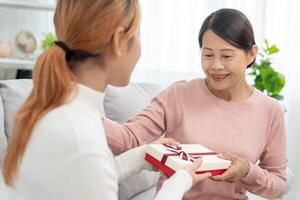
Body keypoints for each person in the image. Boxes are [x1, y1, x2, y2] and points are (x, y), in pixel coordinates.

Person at [1, 1, 212, 200]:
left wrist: (143, 154)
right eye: (138, 34)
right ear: (119, 41)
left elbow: (85, 176)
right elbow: (88, 163)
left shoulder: (58, 110)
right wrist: (178, 184)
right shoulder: (81, 134)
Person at [102, 8, 288, 200]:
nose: (215, 65)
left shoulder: (270, 110)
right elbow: (128, 139)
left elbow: (278, 185)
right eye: (208, 55)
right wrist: (78, 109)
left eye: (226, 56)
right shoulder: (177, 95)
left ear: (251, 54)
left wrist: (248, 171)